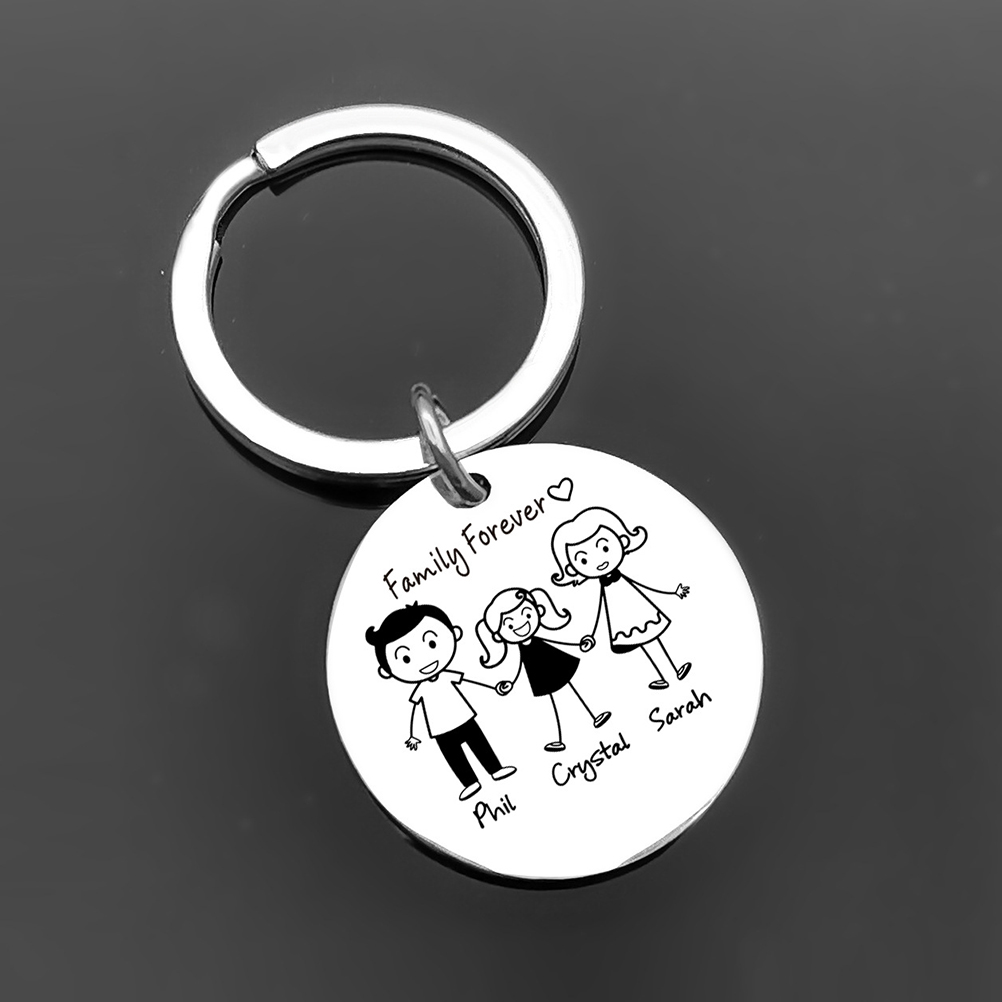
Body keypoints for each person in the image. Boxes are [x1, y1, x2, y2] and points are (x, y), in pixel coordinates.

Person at [365, 603, 516, 802]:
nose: (424, 659)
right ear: (386, 672)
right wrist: (413, 734)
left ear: (455, 634)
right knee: (454, 756)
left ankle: (495, 769)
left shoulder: (446, 675)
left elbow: (470, 681)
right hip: (440, 729)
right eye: (406, 658)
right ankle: (470, 782)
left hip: (463, 717)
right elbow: (415, 711)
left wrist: (493, 687)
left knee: (479, 744)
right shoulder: (421, 688)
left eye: (432, 644)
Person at [550, 506, 692, 690]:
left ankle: (673, 670)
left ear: (622, 540)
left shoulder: (619, 580)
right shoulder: (604, 586)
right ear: (571, 569)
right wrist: (592, 634)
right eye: (584, 560)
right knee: (646, 643)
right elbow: (600, 608)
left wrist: (672, 592)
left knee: (651, 640)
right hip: (624, 619)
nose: (599, 561)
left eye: (605, 548)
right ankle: (667, 674)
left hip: (638, 610)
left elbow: (644, 586)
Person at [475, 587, 610, 753]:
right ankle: (561, 738)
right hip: (538, 671)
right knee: (555, 702)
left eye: (527, 614)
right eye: (509, 625)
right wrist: (511, 682)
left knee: (572, 690)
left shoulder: (538, 641)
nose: (520, 625)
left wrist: (580, 644)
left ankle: (594, 716)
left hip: (553, 661)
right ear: (498, 636)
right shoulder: (522, 650)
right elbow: (518, 665)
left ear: (539, 610)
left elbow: (558, 643)